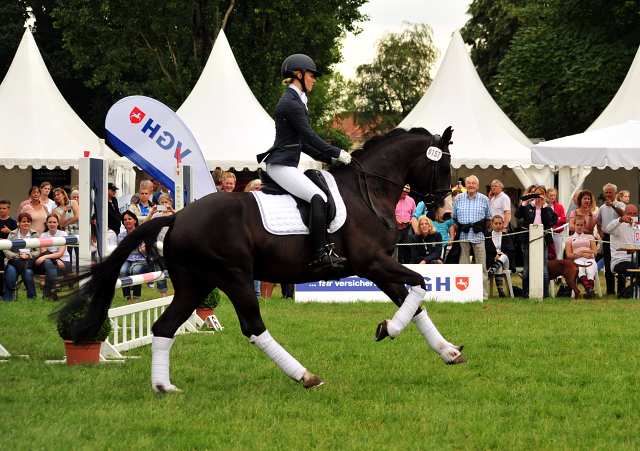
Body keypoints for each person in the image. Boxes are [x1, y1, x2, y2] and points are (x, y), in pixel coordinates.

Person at [256, 54, 351, 270]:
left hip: (288, 163)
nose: (314, 80)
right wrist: (337, 151)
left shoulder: (297, 100)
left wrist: (331, 159)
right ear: (299, 75)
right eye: (311, 75)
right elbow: (309, 137)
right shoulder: (291, 103)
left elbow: (303, 144)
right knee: (318, 197)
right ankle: (320, 254)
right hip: (281, 165)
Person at [452, 175, 493, 300]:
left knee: (481, 266)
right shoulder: (458, 198)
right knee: (463, 264)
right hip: (464, 235)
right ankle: (463, 293)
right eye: (468, 183)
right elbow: (454, 217)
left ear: (477, 186)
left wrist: (479, 228)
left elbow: (489, 218)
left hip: (479, 235)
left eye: (473, 183)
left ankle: (483, 295)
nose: (470, 185)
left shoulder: (484, 199)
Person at [515, 185, 558, 299]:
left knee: (544, 268)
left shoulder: (547, 207)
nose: (538, 196)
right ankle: (525, 294)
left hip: (543, 239)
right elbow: (517, 215)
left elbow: (548, 220)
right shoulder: (528, 206)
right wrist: (525, 202)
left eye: (540, 194)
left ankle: (545, 294)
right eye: (535, 193)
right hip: (527, 239)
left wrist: (543, 205)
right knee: (527, 268)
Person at [596, 183, 625, 296]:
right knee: (607, 264)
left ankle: (621, 289)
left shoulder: (621, 205)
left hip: (618, 237)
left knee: (620, 263)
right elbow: (598, 221)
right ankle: (610, 290)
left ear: (615, 193)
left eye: (610, 192)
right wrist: (599, 231)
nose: (608, 194)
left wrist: (613, 205)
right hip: (607, 237)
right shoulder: (602, 208)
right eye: (606, 192)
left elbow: (623, 214)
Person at [3, 213, 40, 301]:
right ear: (18, 223)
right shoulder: (12, 234)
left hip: (28, 261)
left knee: (28, 274)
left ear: (31, 223)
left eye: (28, 221)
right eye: (23, 221)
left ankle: (32, 299)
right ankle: (8, 299)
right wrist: (17, 256)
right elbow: (6, 250)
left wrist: (28, 255)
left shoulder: (35, 234)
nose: (26, 223)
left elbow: (38, 251)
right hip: (14, 260)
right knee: (10, 272)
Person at [144, 194, 175, 297]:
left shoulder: (174, 215)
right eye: (162, 202)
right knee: (160, 272)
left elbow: (183, 222)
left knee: (174, 272)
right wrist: (151, 213)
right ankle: (163, 296)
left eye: (166, 202)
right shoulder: (156, 216)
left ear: (170, 203)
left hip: (171, 247)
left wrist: (173, 211)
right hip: (158, 248)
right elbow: (144, 225)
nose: (164, 204)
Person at [37, 214, 71, 299]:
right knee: (48, 262)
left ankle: (46, 295)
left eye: (54, 222)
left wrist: (56, 259)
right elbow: (44, 252)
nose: (52, 224)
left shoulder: (63, 234)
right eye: (50, 222)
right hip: (51, 262)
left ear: (58, 223)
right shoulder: (43, 235)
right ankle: (57, 284)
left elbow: (60, 253)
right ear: (47, 223)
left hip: (64, 262)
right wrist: (56, 260)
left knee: (49, 270)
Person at [565, 214, 598, 297]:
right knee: (580, 269)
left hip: (589, 257)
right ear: (574, 225)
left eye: (581, 225)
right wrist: (581, 254)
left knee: (590, 271)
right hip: (577, 259)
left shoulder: (590, 236)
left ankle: (589, 290)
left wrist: (583, 251)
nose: (579, 227)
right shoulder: (569, 238)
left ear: (584, 226)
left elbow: (595, 252)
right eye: (577, 225)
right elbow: (569, 255)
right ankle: (589, 290)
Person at [118, 211, 148, 302]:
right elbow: (121, 250)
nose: (127, 221)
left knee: (136, 271)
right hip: (127, 258)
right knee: (122, 271)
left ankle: (136, 296)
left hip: (141, 259)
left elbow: (146, 247)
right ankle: (127, 297)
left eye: (129, 219)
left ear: (135, 221)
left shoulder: (141, 233)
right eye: (125, 220)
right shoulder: (121, 235)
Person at [608, 204, 638, 297]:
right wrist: (620, 220)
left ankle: (626, 292)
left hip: (634, 260)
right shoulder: (618, 226)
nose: (632, 216)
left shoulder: (636, 227)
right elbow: (609, 228)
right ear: (624, 213)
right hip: (620, 261)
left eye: (634, 214)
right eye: (630, 213)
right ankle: (625, 293)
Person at [485, 215, 516, 297]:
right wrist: (495, 255)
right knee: (499, 265)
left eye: (500, 223)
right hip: (493, 260)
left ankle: (491, 272)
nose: (498, 225)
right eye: (496, 223)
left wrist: (501, 254)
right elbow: (487, 251)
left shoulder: (506, 236)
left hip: (506, 261)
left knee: (504, 257)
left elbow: (511, 252)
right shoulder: (488, 236)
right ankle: (501, 292)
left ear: (503, 224)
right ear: (492, 224)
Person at [0, 200, 18, 297]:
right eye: (0, 208)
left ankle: (7, 290)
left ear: (9, 210)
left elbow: (16, 234)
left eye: (4, 208)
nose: (1, 210)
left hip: (9, 249)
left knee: (7, 270)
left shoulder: (12, 221)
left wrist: (9, 231)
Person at [395, 184, 416, 264]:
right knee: (394, 248)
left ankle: (406, 264)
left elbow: (414, 214)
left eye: (406, 194)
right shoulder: (394, 199)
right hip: (396, 228)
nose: (404, 195)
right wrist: (395, 220)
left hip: (407, 228)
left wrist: (410, 221)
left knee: (407, 247)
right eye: (402, 193)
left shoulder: (411, 200)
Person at [546, 188, 567, 259]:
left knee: (557, 253)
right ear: (546, 196)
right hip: (546, 232)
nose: (552, 197)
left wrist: (552, 221)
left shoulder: (559, 206)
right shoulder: (544, 206)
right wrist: (557, 219)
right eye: (550, 195)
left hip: (557, 233)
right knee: (547, 252)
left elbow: (564, 220)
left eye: (554, 195)